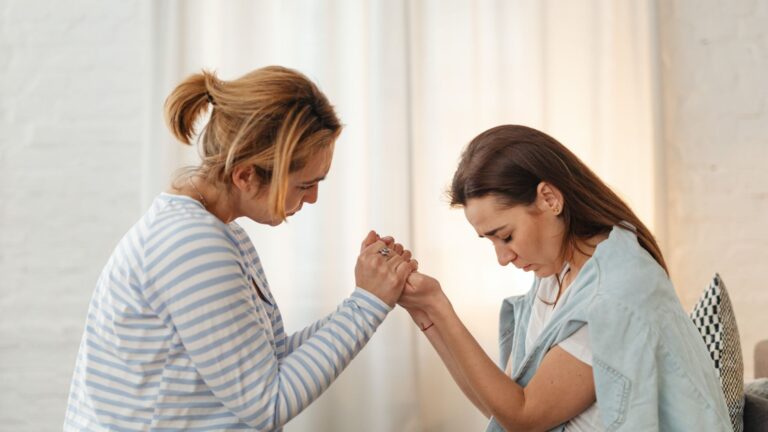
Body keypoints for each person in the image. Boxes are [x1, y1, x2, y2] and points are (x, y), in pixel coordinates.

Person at [64, 65, 417, 431]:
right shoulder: (191, 245)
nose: (312, 198)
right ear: (245, 175)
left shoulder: (218, 234)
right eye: (304, 184)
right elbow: (267, 404)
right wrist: (367, 304)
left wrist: (370, 296)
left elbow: (270, 360)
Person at [398, 125, 732, 431]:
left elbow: (525, 416)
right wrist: (426, 315)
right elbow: (501, 409)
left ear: (549, 198)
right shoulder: (554, 277)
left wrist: (440, 309)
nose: (502, 258)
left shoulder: (614, 293)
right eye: (491, 241)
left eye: (507, 236)